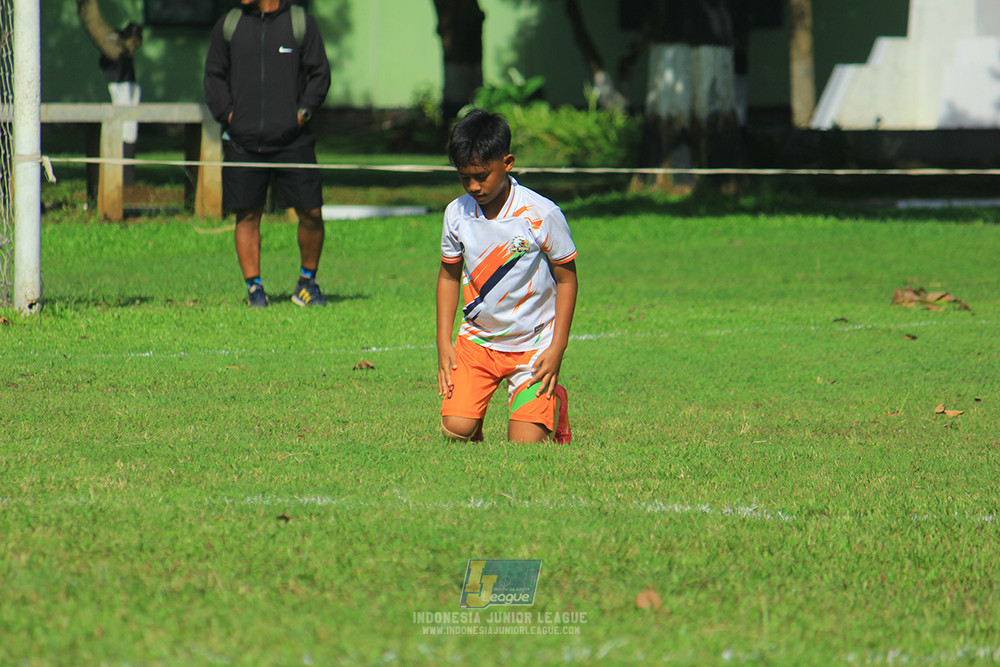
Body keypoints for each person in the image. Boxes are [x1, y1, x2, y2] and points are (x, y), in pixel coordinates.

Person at [436, 109, 578, 443]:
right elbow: (448, 276)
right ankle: (473, 415)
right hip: (477, 343)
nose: (473, 186)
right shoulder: (456, 214)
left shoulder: (540, 213)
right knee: (455, 431)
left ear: (508, 162)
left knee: (525, 445)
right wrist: (444, 341)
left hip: (533, 345)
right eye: (464, 177)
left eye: (482, 175)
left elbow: (567, 279)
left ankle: (555, 402)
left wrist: (557, 347)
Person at [203, 0, 331, 308]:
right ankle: (254, 289)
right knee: (247, 214)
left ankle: (307, 283)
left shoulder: (301, 23)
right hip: (243, 142)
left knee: (312, 213)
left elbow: (320, 75)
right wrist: (230, 116)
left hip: (293, 141)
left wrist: (301, 115)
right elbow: (213, 76)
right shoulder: (229, 25)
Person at [98, 22, 142, 186]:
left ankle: (128, 180)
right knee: (121, 133)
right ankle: (118, 179)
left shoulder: (125, 59)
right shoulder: (114, 53)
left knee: (129, 134)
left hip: (128, 92)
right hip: (120, 92)